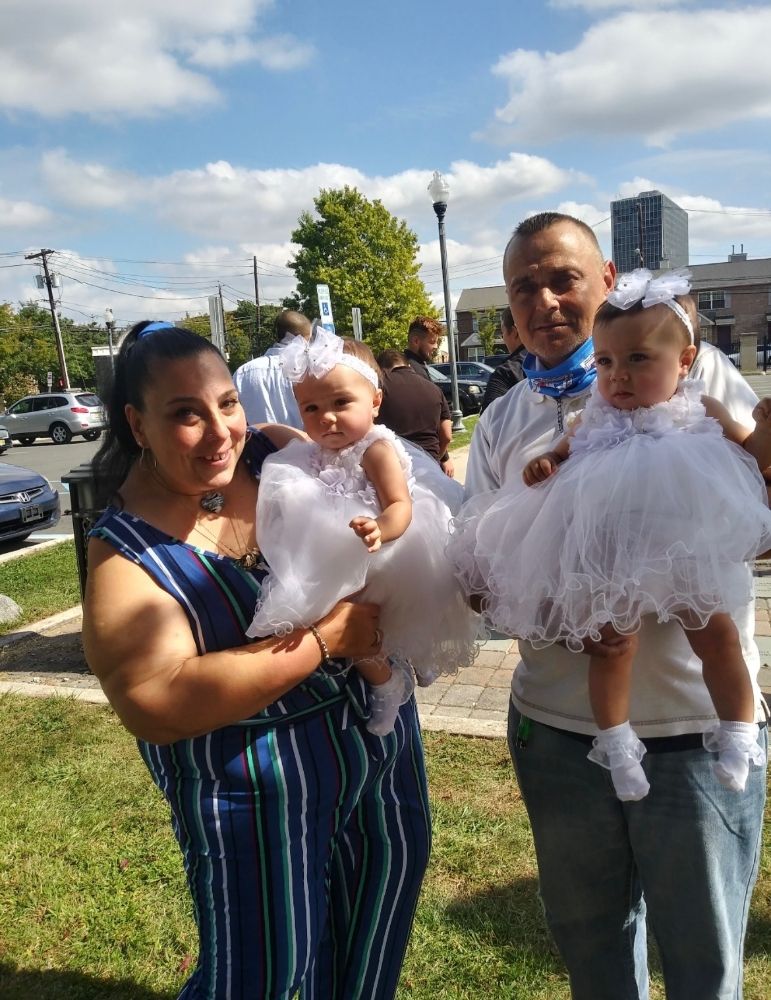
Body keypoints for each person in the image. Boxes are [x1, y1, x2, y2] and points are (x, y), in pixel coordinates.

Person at [463, 213, 768, 999]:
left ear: (604, 280)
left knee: (702, 962)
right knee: (592, 951)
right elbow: (481, 575)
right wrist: (558, 603)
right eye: (523, 288)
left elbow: (753, 513)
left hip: (692, 732)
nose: (543, 301)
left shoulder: (695, 376)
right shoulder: (501, 419)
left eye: (562, 279)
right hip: (558, 736)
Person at [81, 320, 431, 1000]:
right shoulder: (125, 553)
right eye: (185, 414)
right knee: (263, 973)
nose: (219, 433)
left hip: (380, 756)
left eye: (226, 404)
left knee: (372, 938)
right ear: (137, 423)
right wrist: (326, 640)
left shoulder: (275, 451)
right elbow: (154, 701)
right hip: (256, 801)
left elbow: (379, 501)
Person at [452, 269, 771, 802]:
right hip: (611, 559)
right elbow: (560, 453)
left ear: (684, 361)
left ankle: (737, 733)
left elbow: (752, 457)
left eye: (638, 359)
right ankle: (618, 744)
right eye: (605, 362)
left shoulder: (700, 406)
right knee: (611, 647)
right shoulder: (593, 415)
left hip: (682, 553)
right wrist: (545, 463)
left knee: (716, 636)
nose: (618, 376)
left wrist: (765, 431)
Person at [247, 330, 478, 734]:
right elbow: (282, 443)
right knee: (345, 622)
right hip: (340, 550)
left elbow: (400, 505)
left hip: (386, 551)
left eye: (341, 403)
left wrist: (380, 530)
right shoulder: (312, 451)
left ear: (374, 401)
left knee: (374, 620)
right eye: (311, 408)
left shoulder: (375, 450)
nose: (327, 418)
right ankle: (390, 674)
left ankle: (391, 679)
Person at [376, 348, 455, 477]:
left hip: (395, 468)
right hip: (430, 467)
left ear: (382, 369)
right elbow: (447, 435)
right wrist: (435, 458)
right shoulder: (434, 389)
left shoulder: (380, 388)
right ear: (408, 365)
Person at [233, 309, 311, 427]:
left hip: (259, 438)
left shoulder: (243, 373)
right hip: (307, 438)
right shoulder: (311, 369)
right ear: (304, 339)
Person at [480, 306, 525, 412]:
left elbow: (489, 419)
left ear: (514, 332)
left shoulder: (506, 373)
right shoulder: (555, 361)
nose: (503, 338)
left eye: (502, 332)